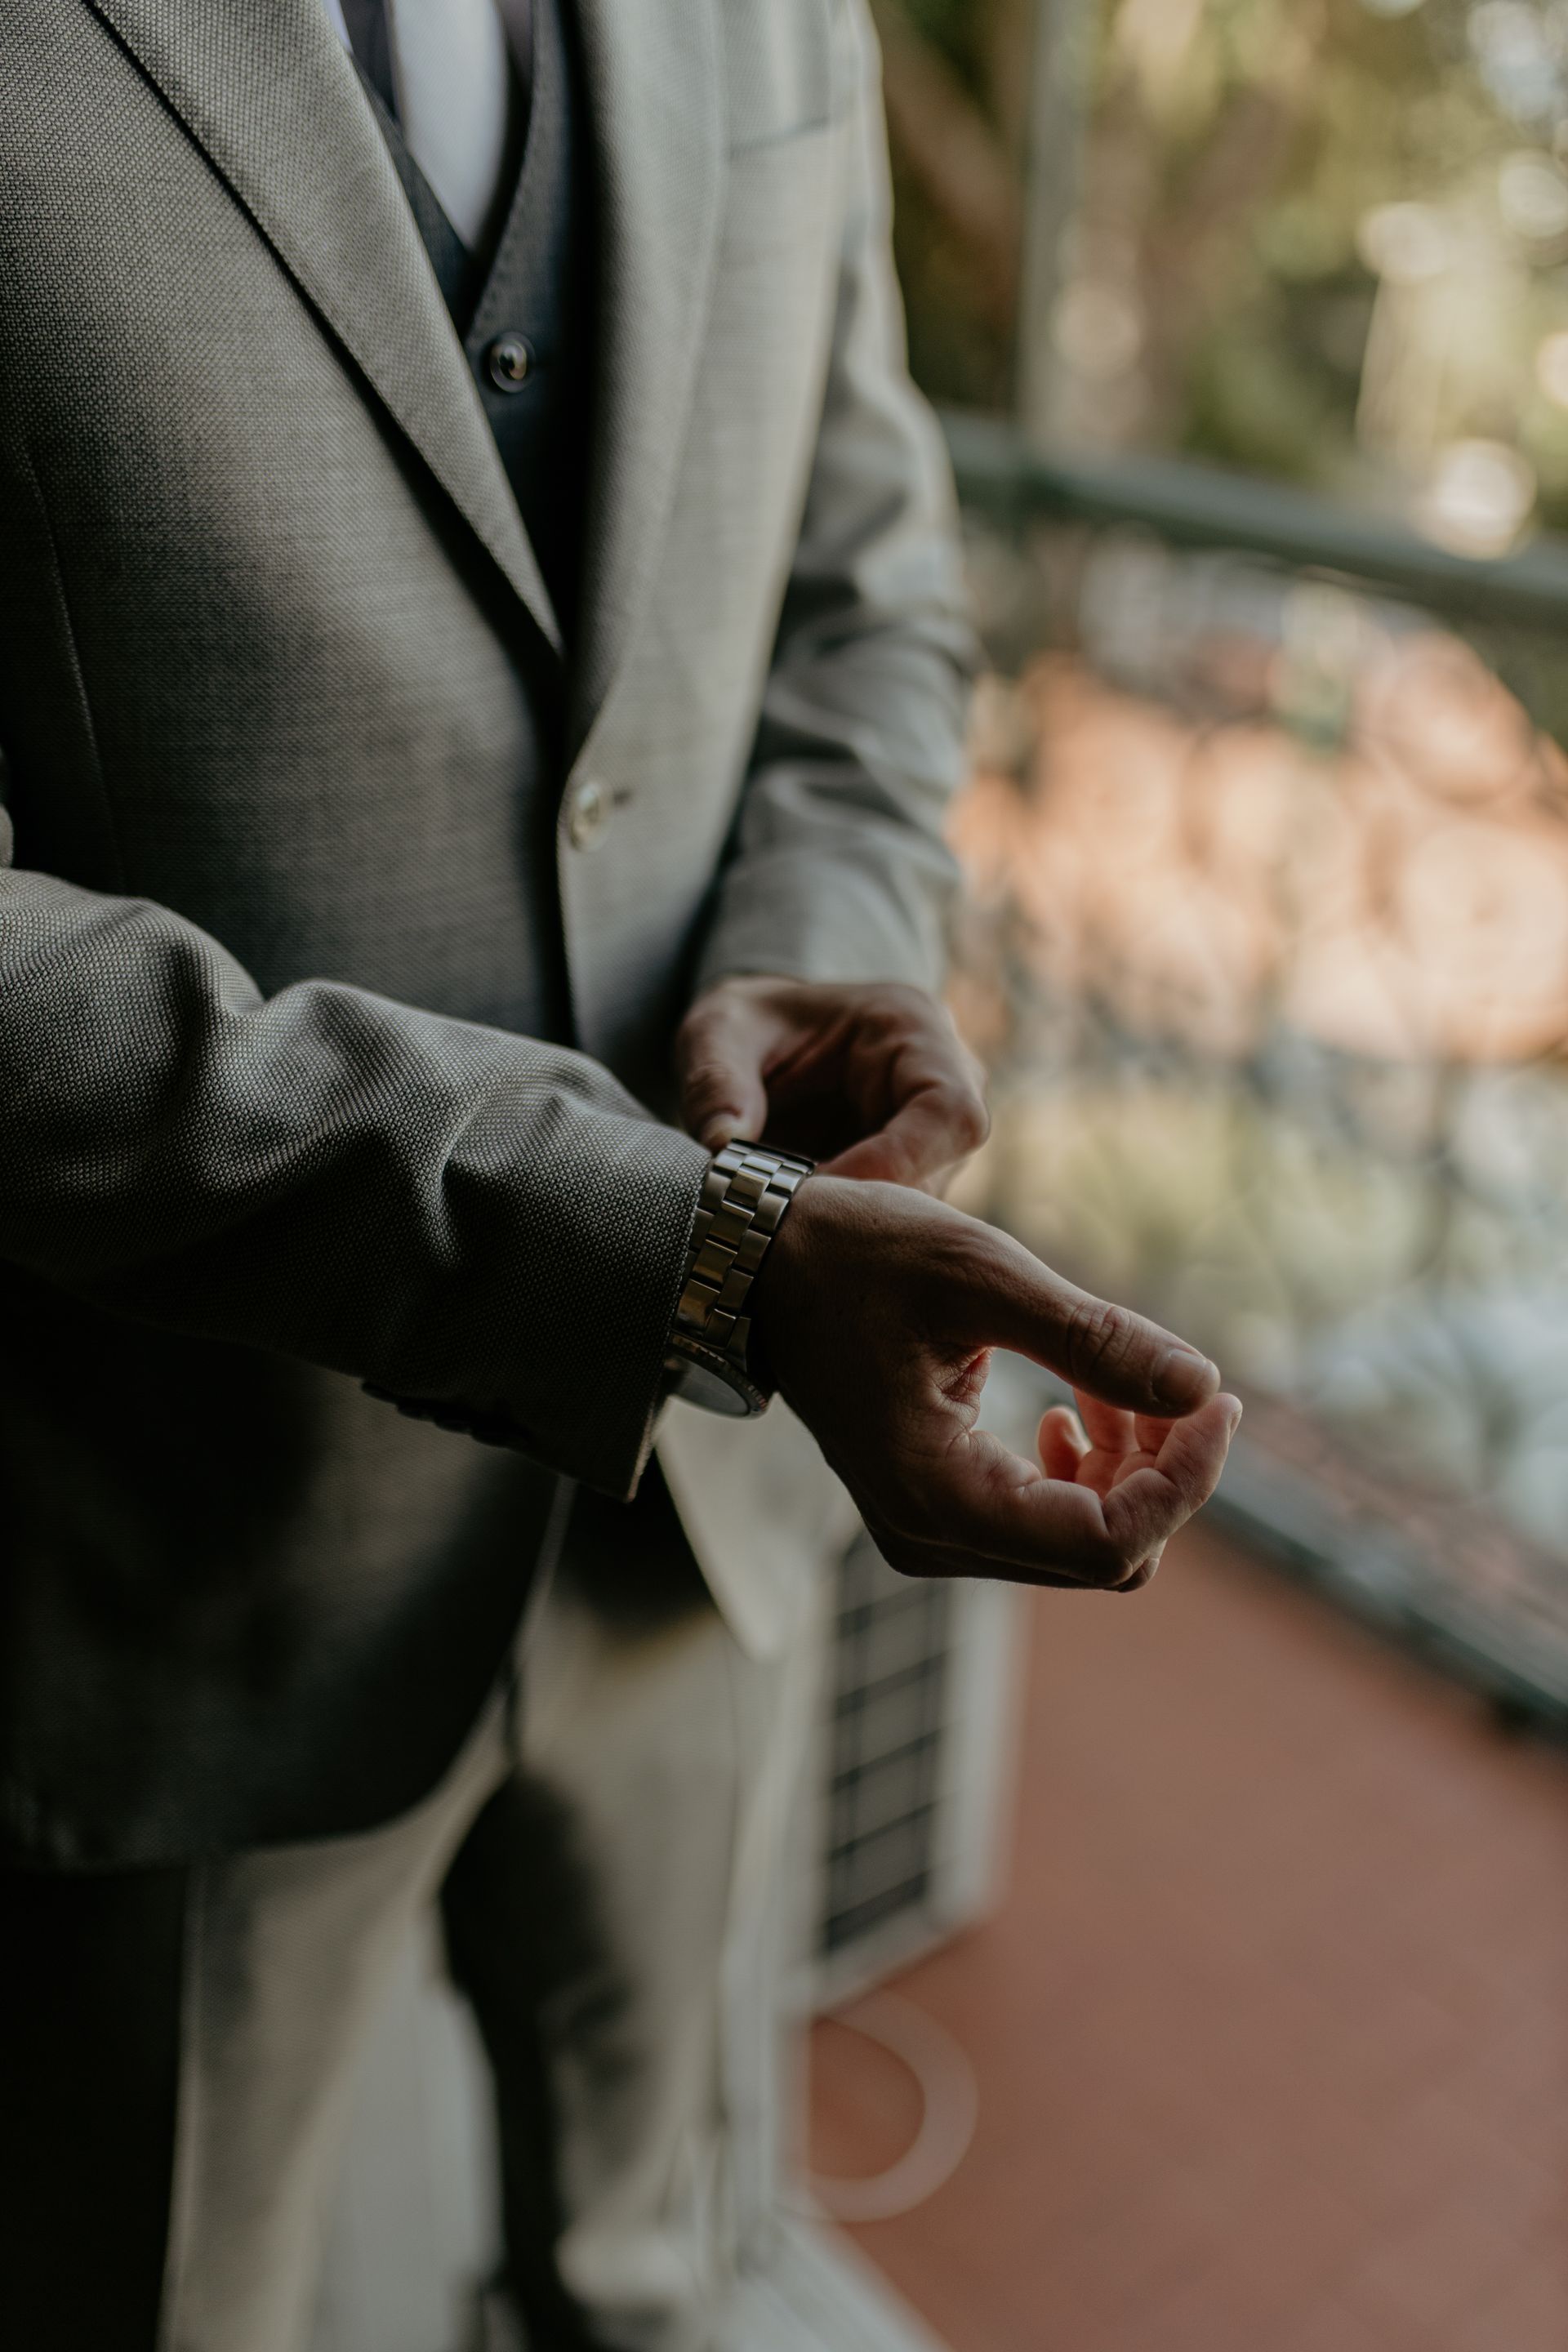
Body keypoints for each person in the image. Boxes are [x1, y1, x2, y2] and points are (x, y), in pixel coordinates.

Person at [0, 2, 1241, 2347]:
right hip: (185, 1555)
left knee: (658, 2282)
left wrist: (831, 947)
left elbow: (868, 595)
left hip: (711, 1532)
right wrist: (680, 1257)